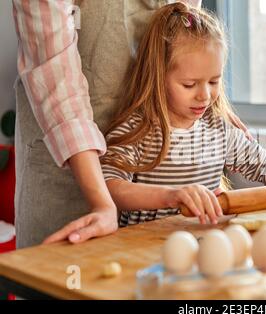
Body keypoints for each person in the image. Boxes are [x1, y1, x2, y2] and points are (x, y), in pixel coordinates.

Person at [73, 2, 266, 227]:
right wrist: (172, 195)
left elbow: (265, 165)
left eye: (214, 82)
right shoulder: (138, 129)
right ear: (158, 77)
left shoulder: (218, 129)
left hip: (207, 248)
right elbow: (110, 185)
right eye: (189, 85)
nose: (204, 95)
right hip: (147, 251)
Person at [12, 0, 250, 248]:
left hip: (153, 215)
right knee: (68, 277)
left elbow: (187, 26)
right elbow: (55, 78)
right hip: (64, 159)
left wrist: (207, 100)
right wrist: (102, 201)